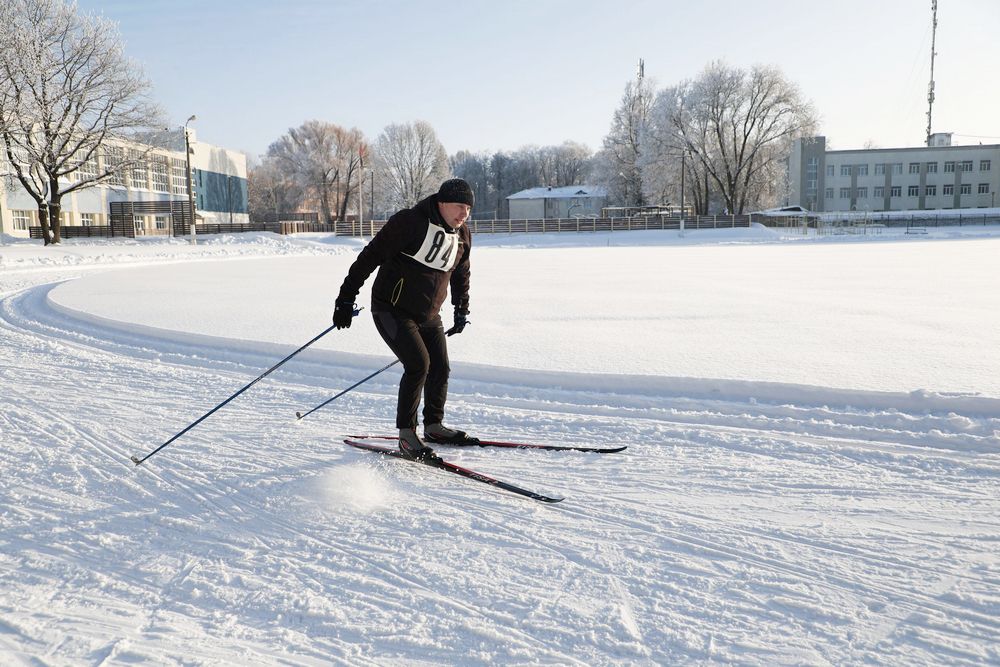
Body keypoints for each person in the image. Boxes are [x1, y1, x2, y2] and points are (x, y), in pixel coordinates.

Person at [333, 178, 478, 460]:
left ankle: (434, 426)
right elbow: (370, 257)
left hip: (428, 313)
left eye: (469, 209)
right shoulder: (410, 222)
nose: (465, 214)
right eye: (460, 206)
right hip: (391, 308)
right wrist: (346, 297)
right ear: (442, 203)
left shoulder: (462, 235)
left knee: (440, 367)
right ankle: (407, 435)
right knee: (418, 365)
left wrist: (462, 309)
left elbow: (462, 273)